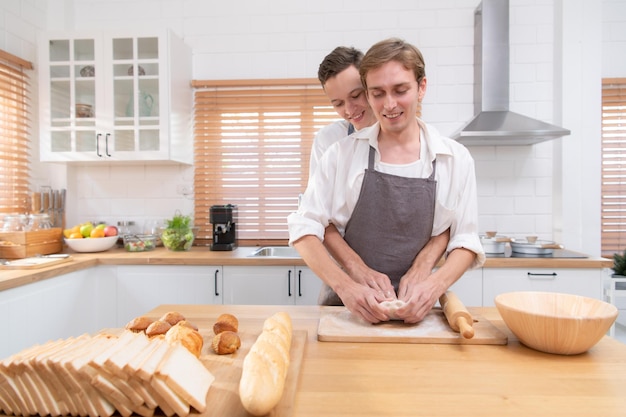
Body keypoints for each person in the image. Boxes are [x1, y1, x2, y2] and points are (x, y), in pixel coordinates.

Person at [288, 38, 485, 324]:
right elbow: (306, 227)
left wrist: (434, 283)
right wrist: (347, 284)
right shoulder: (339, 153)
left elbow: (464, 237)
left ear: (422, 87)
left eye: (400, 90)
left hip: (419, 311)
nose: (389, 104)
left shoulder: (454, 159)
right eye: (378, 93)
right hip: (349, 310)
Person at [308, 46, 451, 307]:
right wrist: (355, 269)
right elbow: (318, 219)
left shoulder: (426, 144)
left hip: (414, 292)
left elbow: (448, 221)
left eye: (356, 95)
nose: (349, 110)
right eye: (338, 103)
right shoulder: (330, 144)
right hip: (347, 285)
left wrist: (423, 265)